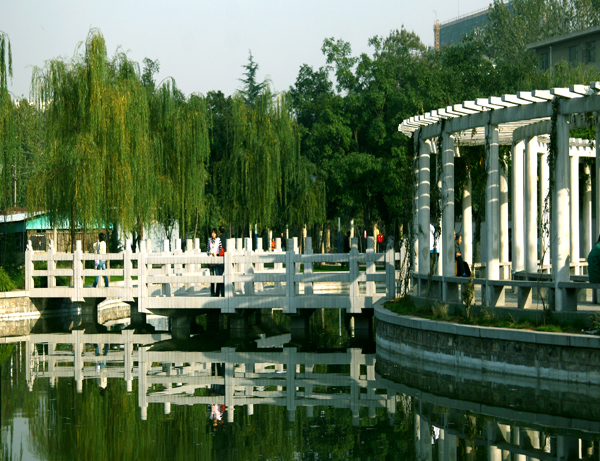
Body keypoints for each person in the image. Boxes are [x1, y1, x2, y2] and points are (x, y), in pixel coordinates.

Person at [207, 229, 222, 296]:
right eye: (212, 233)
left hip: (217, 260)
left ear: (216, 234)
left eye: (214, 233)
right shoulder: (209, 240)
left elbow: (220, 249)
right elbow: (207, 250)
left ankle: (217, 292)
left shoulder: (218, 240)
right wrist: (209, 253)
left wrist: (217, 255)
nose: (213, 234)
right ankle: (212, 292)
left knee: (218, 276)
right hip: (211, 259)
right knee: (212, 276)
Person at [216, 226, 226, 297]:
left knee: (219, 276)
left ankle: (218, 293)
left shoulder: (218, 239)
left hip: (219, 259)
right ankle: (223, 292)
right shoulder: (226, 239)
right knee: (223, 276)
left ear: (219, 232)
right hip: (225, 259)